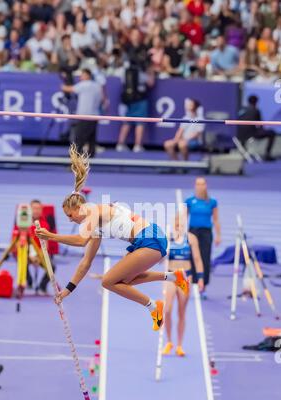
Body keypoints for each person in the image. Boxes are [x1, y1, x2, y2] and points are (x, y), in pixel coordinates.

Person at [35, 144, 190, 332]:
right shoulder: (94, 226)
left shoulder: (93, 209)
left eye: (70, 215)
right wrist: (66, 291)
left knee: (108, 281)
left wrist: (50, 236)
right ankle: (174, 277)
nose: (70, 219)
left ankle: (153, 306)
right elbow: (85, 263)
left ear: (78, 208)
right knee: (123, 282)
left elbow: (80, 241)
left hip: (150, 239)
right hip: (146, 242)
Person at [163, 213, 204, 357]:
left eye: (181, 224)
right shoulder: (168, 238)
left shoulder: (191, 238)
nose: (179, 226)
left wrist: (200, 278)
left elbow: (198, 259)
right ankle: (169, 341)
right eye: (176, 224)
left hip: (185, 276)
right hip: (171, 275)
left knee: (181, 312)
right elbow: (160, 257)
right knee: (167, 310)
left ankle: (179, 345)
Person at [185, 178, 221, 298]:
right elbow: (183, 217)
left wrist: (218, 235)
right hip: (193, 231)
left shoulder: (212, 202)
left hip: (206, 233)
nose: (200, 186)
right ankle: (189, 283)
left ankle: (203, 287)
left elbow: (216, 219)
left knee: (205, 258)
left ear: (206, 185)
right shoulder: (190, 201)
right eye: (198, 184)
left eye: (202, 184)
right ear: (195, 186)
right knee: (191, 258)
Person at [62, 68, 104, 158]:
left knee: (79, 140)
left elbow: (67, 89)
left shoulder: (84, 85)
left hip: (84, 116)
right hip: (94, 116)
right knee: (91, 139)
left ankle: (76, 161)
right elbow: (103, 99)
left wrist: (65, 80)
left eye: (82, 75)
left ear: (88, 75)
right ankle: (90, 158)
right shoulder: (97, 85)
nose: (80, 77)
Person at [27, 200, 55, 294]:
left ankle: (42, 286)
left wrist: (39, 257)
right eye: (34, 208)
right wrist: (31, 256)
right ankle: (28, 282)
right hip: (27, 253)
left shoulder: (44, 224)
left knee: (52, 267)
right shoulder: (24, 223)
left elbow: (45, 244)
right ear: (30, 209)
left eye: (38, 208)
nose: (36, 211)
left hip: (41, 253)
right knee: (21, 261)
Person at [238, 95, 276, 162]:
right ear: (256, 102)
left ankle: (244, 152)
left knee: (245, 132)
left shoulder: (242, 110)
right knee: (272, 133)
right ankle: (267, 154)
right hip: (252, 134)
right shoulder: (256, 110)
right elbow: (260, 125)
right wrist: (262, 130)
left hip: (239, 134)